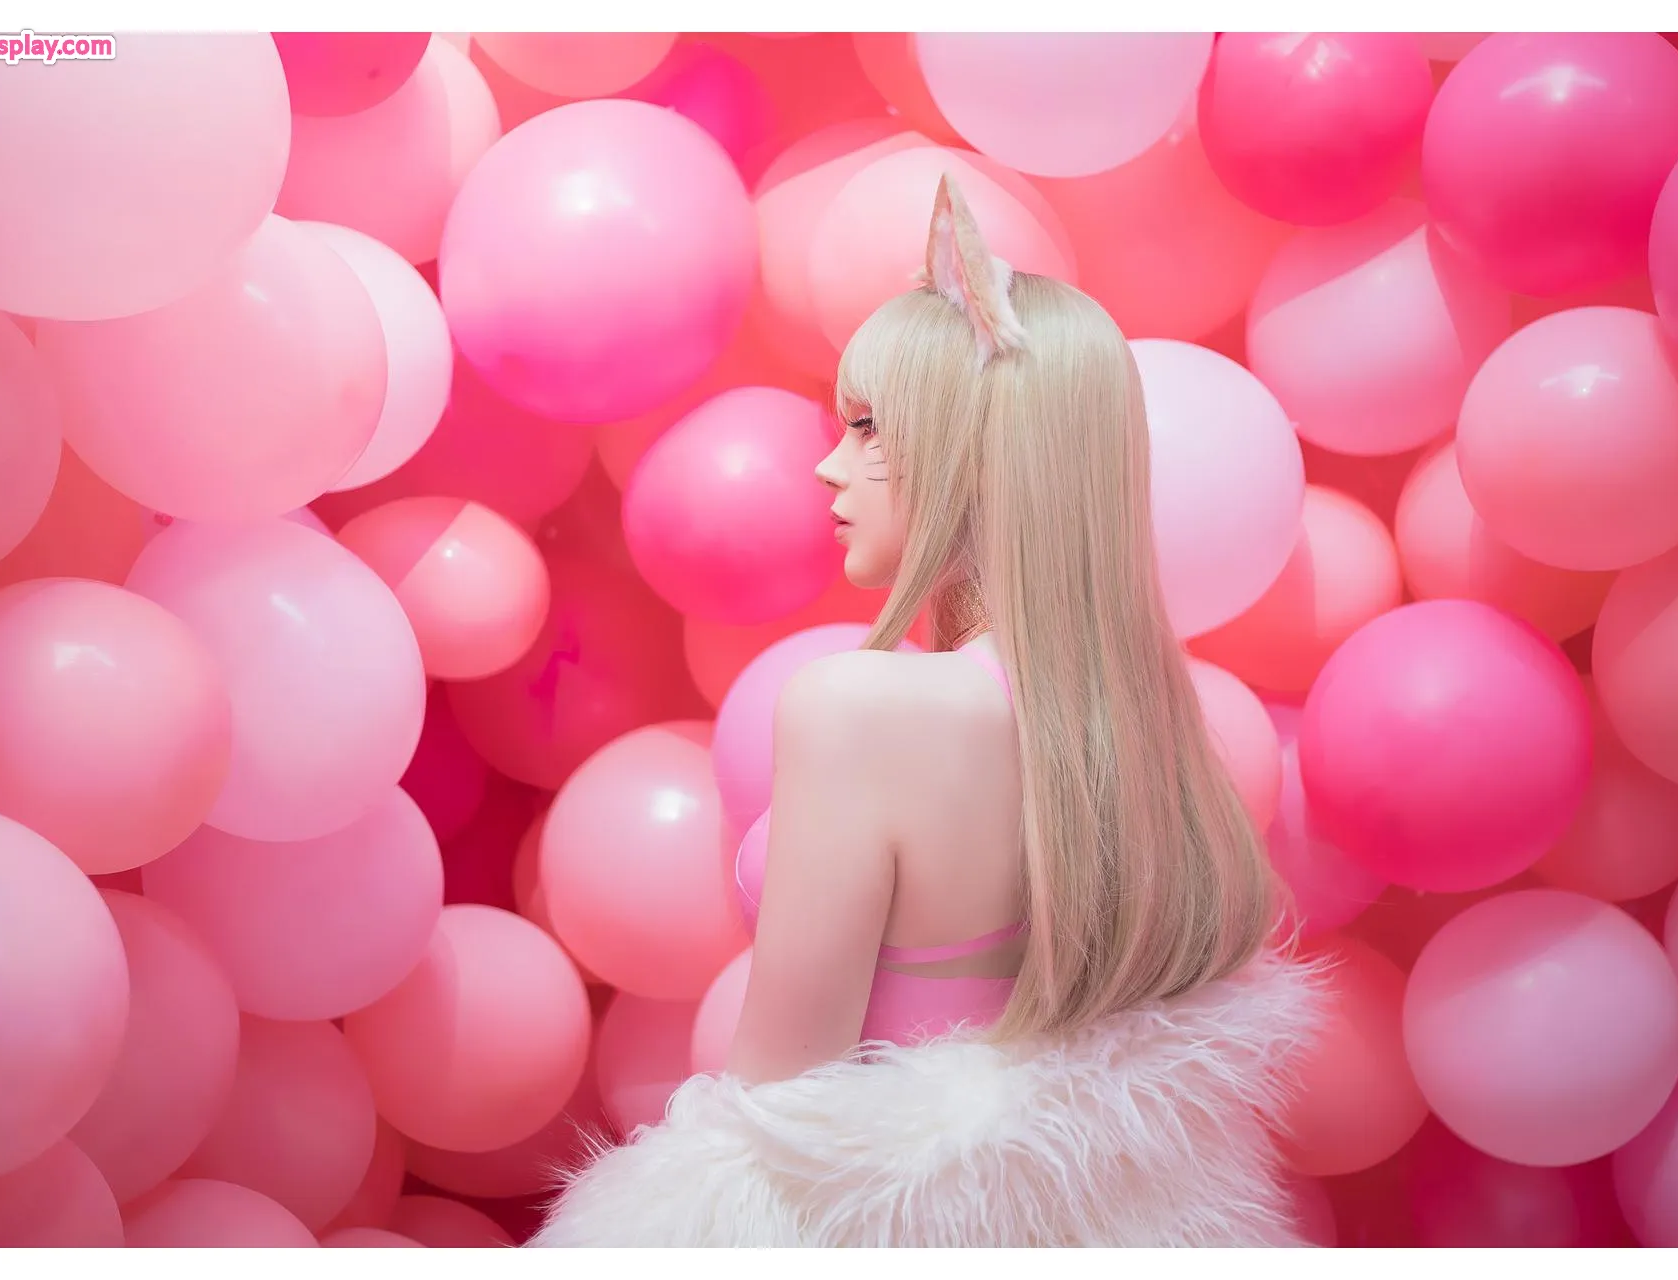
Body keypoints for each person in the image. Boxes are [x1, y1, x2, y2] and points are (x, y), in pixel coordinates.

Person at [532, 176, 1324, 1248]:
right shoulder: (1160, 731)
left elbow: (780, 1119)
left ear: (976, 455)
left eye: (868, 428)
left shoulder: (859, 706)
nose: (829, 465)